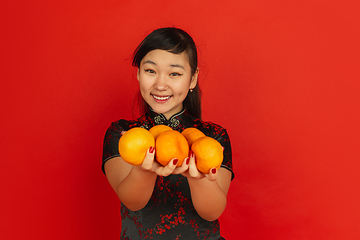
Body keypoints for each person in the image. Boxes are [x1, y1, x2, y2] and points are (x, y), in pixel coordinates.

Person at [102, 27, 234, 239]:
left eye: (174, 74)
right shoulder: (123, 133)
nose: (161, 84)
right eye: (150, 71)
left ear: (192, 79)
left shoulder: (212, 136)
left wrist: (198, 178)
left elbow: (212, 212)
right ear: (138, 73)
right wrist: (144, 171)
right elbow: (132, 201)